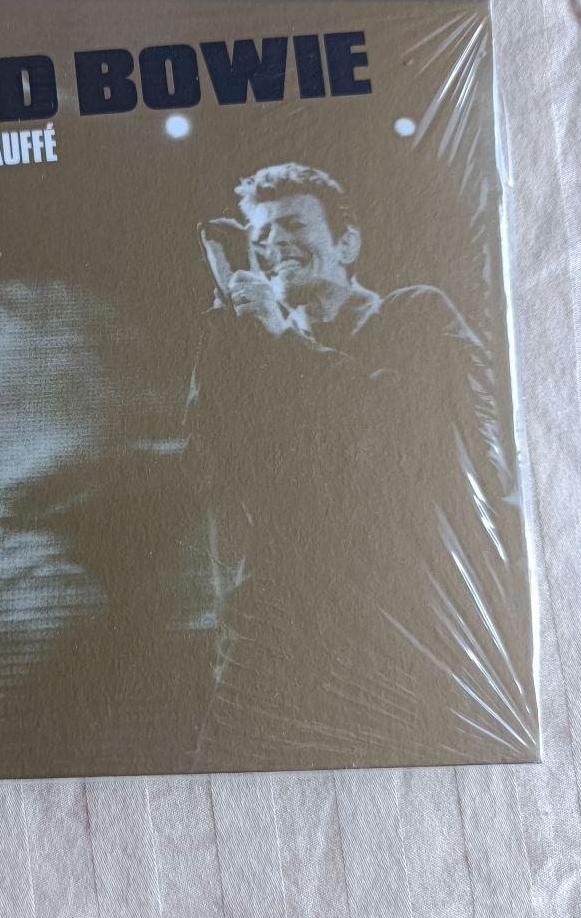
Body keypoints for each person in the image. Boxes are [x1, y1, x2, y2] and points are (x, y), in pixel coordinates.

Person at [184, 163, 536, 770]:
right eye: (260, 236)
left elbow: (394, 436)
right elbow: (208, 469)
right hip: (277, 641)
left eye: (293, 225)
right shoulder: (265, 353)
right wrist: (226, 325)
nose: (274, 243)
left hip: (404, 633)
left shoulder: (413, 315)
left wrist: (280, 338)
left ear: (346, 244)